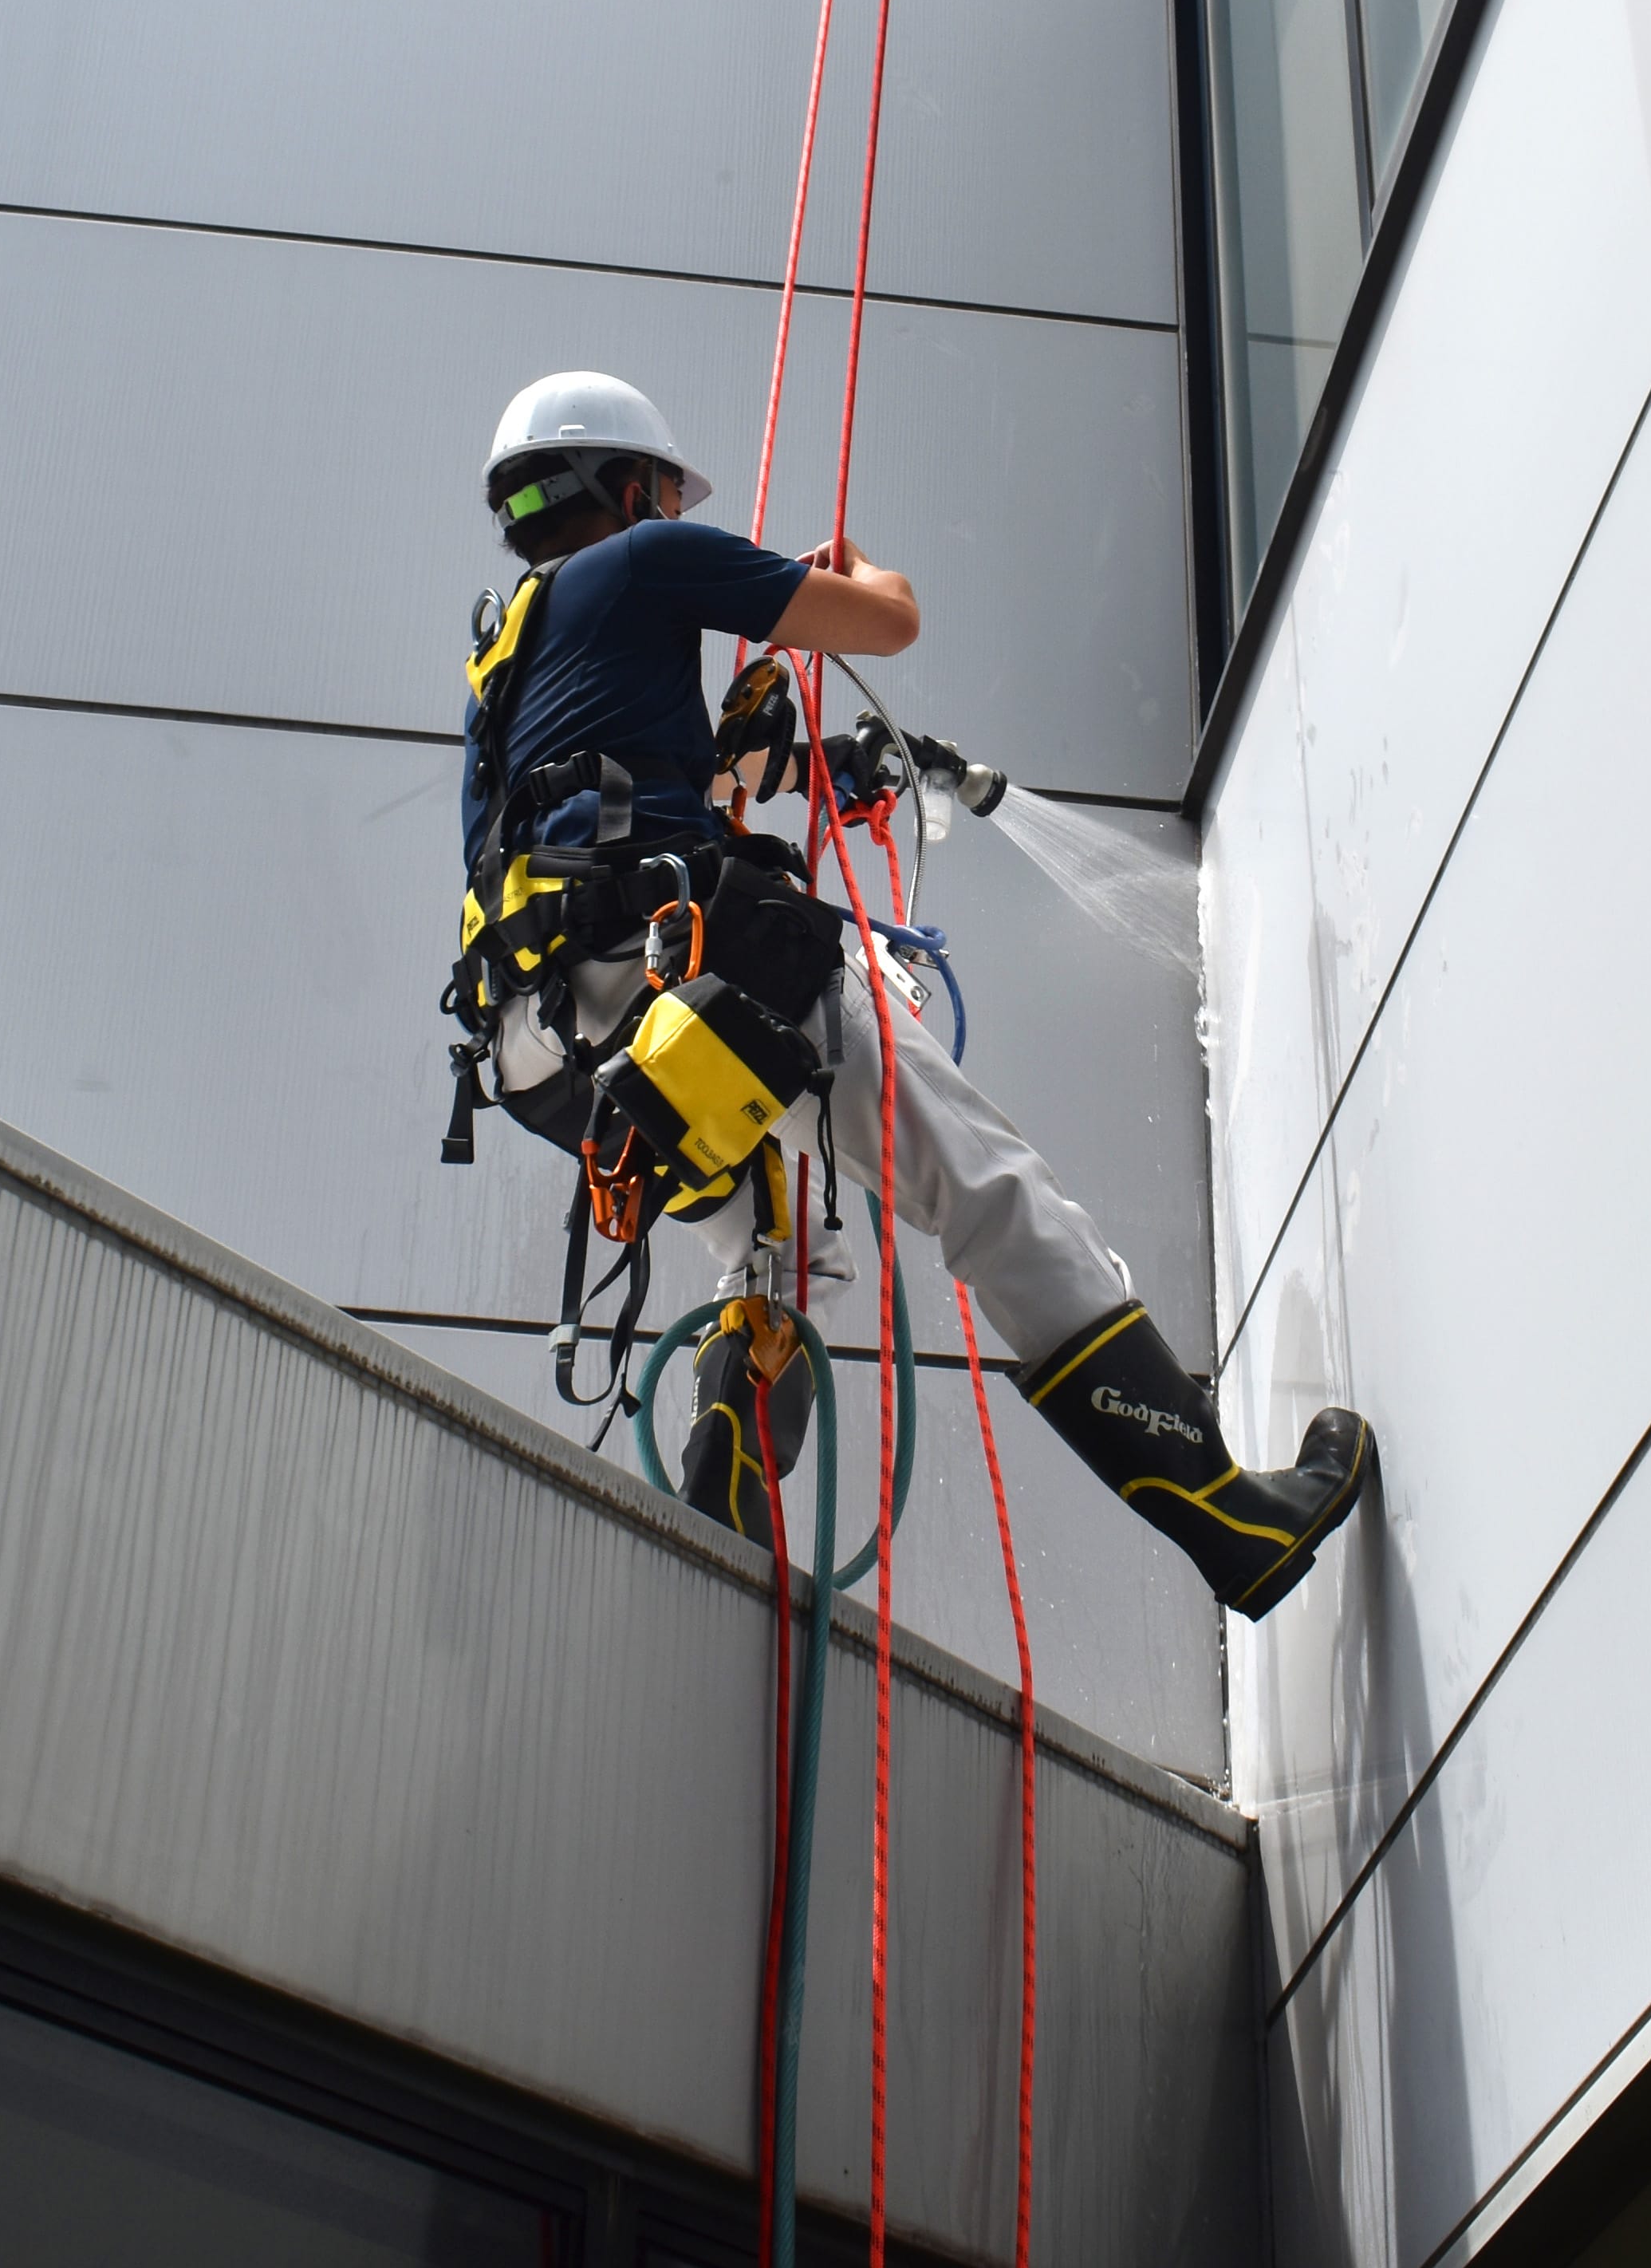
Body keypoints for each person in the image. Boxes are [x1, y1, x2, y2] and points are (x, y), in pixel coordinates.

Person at [443, 370, 1371, 1619]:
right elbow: (886, 623)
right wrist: (853, 570)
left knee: (787, 1243)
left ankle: (727, 1485)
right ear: (627, 486)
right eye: (663, 487)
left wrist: (787, 757)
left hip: (553, 1055)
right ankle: (1225, 1515)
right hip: (692, 975)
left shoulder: (502, 674)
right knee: (992, 1193)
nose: (672, 504)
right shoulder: (649, 560)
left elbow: (652, 801)